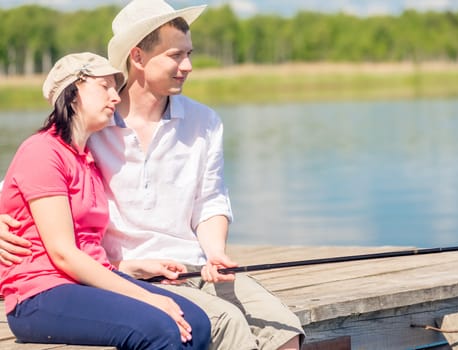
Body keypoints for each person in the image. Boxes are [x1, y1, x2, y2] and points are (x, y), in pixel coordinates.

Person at [0, 1, 305, 349]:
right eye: (176, 55)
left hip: (194, 266)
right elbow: (22, 186)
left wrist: (216, 252)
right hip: (125, 275)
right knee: (221, 324)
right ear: (138, 57)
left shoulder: (204, 122)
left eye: (189, 53)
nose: (188, 66)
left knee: (283, 329)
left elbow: (210, 200)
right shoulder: (90, 131)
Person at [0, 52, 211, 349]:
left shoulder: (86, 159)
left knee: (197, 323)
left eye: (116, 87)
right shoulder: (42, 152)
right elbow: (63, 255)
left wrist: (135, 268)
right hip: (39, 296)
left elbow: (87, 252)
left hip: (82, 286)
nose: (115, 97)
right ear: (72, 93)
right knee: (160, 328)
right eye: (104, 87)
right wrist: (148, 297)